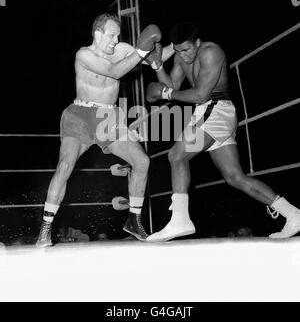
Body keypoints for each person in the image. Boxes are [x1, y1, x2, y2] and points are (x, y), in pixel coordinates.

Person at [146, 21, 300, 242]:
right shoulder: (181, 55)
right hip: (211, 113)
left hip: (215, 109)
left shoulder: (211, 52)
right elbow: (172, 85)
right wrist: (158, 66)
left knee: (176, 155)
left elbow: (198, 95)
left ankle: (180, 220)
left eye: (187, 49)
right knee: (234, 177)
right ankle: (293, 214)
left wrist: (166, 93)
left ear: (197, 42)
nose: (184, 55)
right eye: (179, 51)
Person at [36, 13, 173, 247]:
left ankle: (134, 220)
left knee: (142, 162)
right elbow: (115, 71)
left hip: (107, 117)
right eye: (111, 35)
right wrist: (139, 52)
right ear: (97, 33)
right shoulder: (84, 54)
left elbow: (152, 59)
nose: (115, 40)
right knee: (65, 165)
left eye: (118, 35)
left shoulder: (121, 49)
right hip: (79, 115)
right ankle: (45, 229)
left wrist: (174, 47)